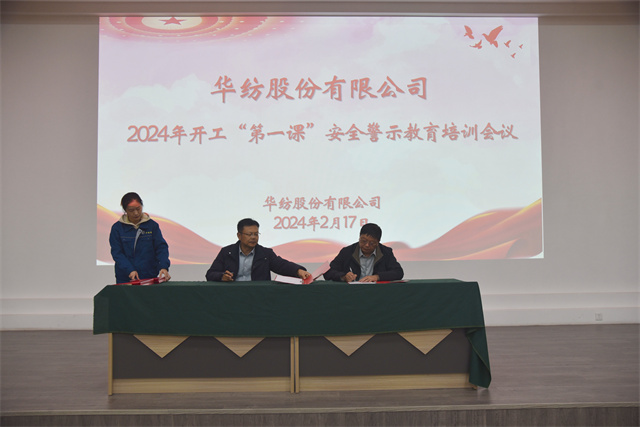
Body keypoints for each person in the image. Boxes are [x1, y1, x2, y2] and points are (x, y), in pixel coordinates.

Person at [206, 218, 311, 282]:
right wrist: (222, 277)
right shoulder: (227, 252)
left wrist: (299, 271)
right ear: (239, 235)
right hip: (232, 295)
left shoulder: (265, 254)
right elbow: (210, 274)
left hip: (258, 295)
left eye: (256, 234)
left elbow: (281, 265)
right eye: (249, 234)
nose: (253, 237)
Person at [109, 192, 171, 283]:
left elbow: (161, 247)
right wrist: (129, 270)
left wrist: (163, 266)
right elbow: (117, 252)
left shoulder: (152, 226)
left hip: (149, 275)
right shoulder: (117, 228)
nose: (136, 213)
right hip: (126, 277)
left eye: (138, 208)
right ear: (125, 210)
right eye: (131, 210)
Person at [323, 223, 403, 282]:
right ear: (359, 237)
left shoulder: (386, 252)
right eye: (363, 241)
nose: (367, 245)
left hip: (377, 292)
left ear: (378, 242)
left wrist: (377, 277)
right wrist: (344, 277)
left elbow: (398, 272)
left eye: (372, 243)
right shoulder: (347, 252)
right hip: (351, 292)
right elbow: (328, 272)